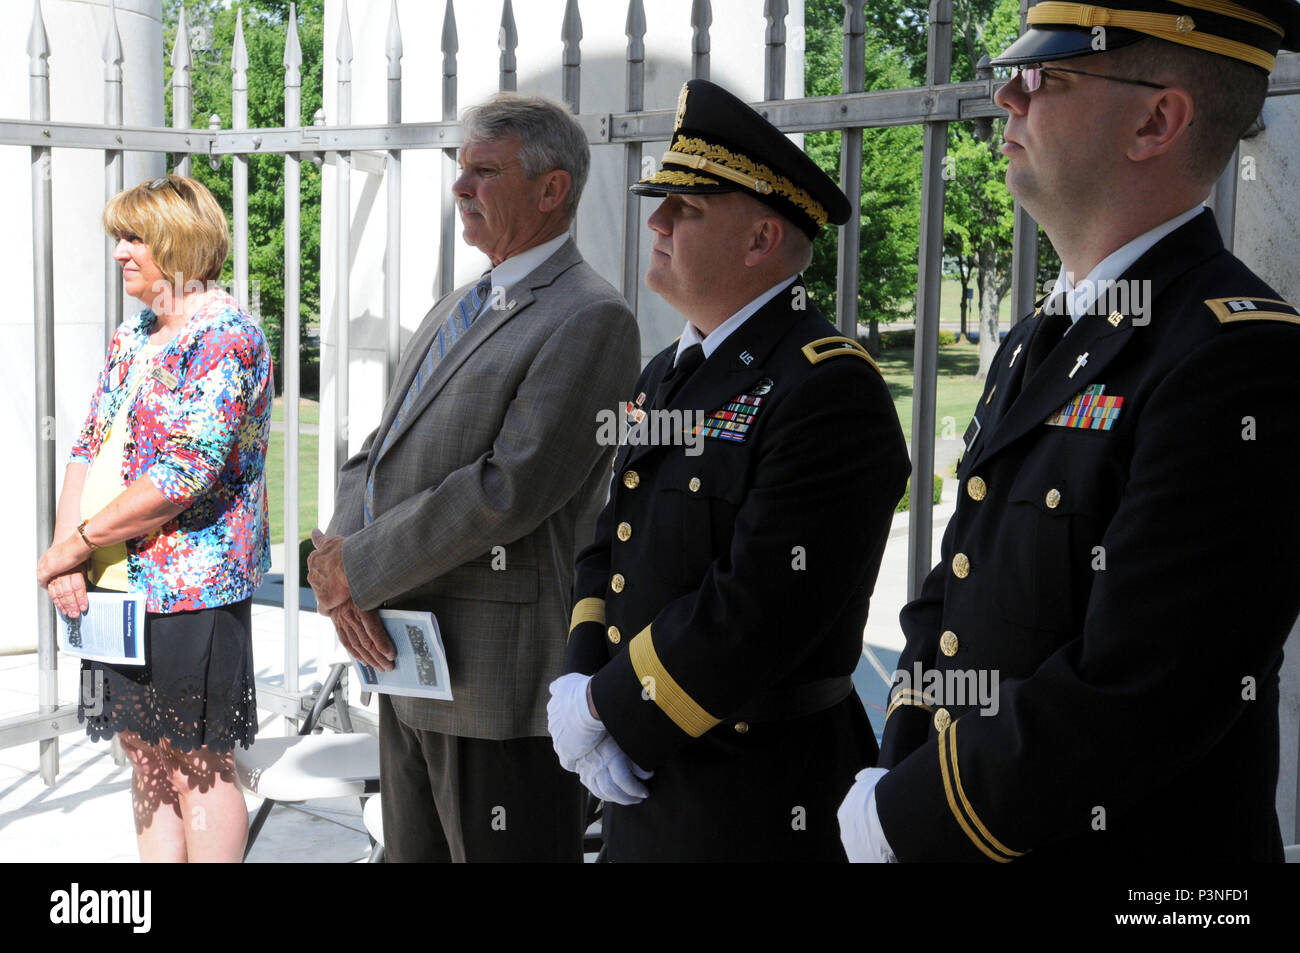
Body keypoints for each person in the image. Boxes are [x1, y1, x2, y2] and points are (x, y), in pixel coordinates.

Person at [839, 0, 1300, 863]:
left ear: (1156, 120)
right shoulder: (1043, 335)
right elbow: (955, 588)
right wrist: (900, 768)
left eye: (1044, 75)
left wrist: (913, 815)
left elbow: (1144, 690)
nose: (1007, 94)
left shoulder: (1239, 358)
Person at [547, 79, 911, 861]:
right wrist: (579, 681)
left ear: (760, 241)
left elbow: (759, 603)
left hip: (757, 794)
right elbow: (607, 544)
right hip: (644, 779)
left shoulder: (827, 387)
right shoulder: (666, 374)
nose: (657, 221)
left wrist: (609, 705)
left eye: (687, 208)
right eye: (661, 203)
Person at [308, 93, 640, 862]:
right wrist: (334, 562)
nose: (461, 189)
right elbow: (378, 449)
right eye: (462, 171)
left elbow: (506, 490)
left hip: (499, 689)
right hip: (408, 663)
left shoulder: (591, 316)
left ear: (551, 189)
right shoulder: (459, 303)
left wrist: (354, 568)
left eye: (484, 172)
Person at [36, 174, 272, 863]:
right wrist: (65, 552)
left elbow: (180, 477)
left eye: (133, 237)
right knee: (144, 756)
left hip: (190, 591)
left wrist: (76, 542)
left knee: (197, 766)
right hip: (119, 584)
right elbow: (88, 444)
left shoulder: (226, 336)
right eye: (119, 237)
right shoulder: (133, 334)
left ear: (178, 240)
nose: (119, 253)